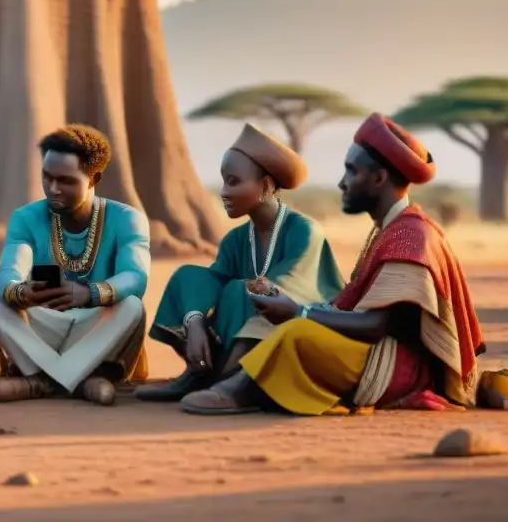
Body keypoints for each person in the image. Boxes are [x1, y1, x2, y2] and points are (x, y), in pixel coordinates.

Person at [179, 113, 487, 415]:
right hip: (372, 351)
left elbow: (377, 324)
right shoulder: (388, 230)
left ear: (378, 178)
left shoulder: (411, 235)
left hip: (394, 367)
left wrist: (298, 312)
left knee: (296, 333)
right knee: (288, 327)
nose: (342, 183)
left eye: (351, 172)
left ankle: (240, 391)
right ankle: (244, 385)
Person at [136, 123, 345, 402]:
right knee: (188, 276)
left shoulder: (304, 230)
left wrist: (241, 292)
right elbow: (210, 284)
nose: (223, 191)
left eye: (233, 182)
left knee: (241, 289)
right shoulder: (236, 239)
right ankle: (199, 372)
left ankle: (229, 381)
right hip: (239, 329)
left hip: (295, 332)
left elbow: (289, 289)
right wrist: (195, 323)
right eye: (223, 181)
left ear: (266, 186)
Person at [0, 124, 150, 406]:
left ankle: (40, 382)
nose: (53, 188)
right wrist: (22, 292)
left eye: (66, 180)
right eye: (47, 177)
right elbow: (7, 274)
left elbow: (135, 277)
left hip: (97, 330)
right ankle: (80, 381)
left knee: (132, 306)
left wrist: (90, 294)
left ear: (94, 178)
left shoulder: (126, 219)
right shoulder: (26, 217)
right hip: (43, 328)